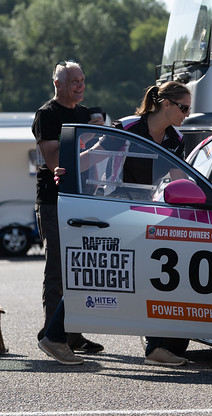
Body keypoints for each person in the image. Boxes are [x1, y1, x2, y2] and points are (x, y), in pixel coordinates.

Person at [39, 81, 192, 366]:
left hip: (146, 212)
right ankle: (54, 337)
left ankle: (156, 347)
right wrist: (65, 170)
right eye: (183, 107)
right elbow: (93, 156)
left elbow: (179, 179)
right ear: (166, 104)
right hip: (111, 209)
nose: (186, 113)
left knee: (152, 277)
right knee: (96, 276)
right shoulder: (127, 127)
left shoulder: (176, 140)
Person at [32, 60, 105, 361]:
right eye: (73, 80)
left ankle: (72, 333)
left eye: (83, 79)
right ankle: (52, 335)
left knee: (79, 269)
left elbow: (95, 164)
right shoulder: (46, 115)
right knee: (58, 271)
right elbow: (56, 163)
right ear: (58, 84)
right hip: (54, 201)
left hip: (82, 198)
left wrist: (103, 141)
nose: (80, 84)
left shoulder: (85, 114)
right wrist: (98, 146)